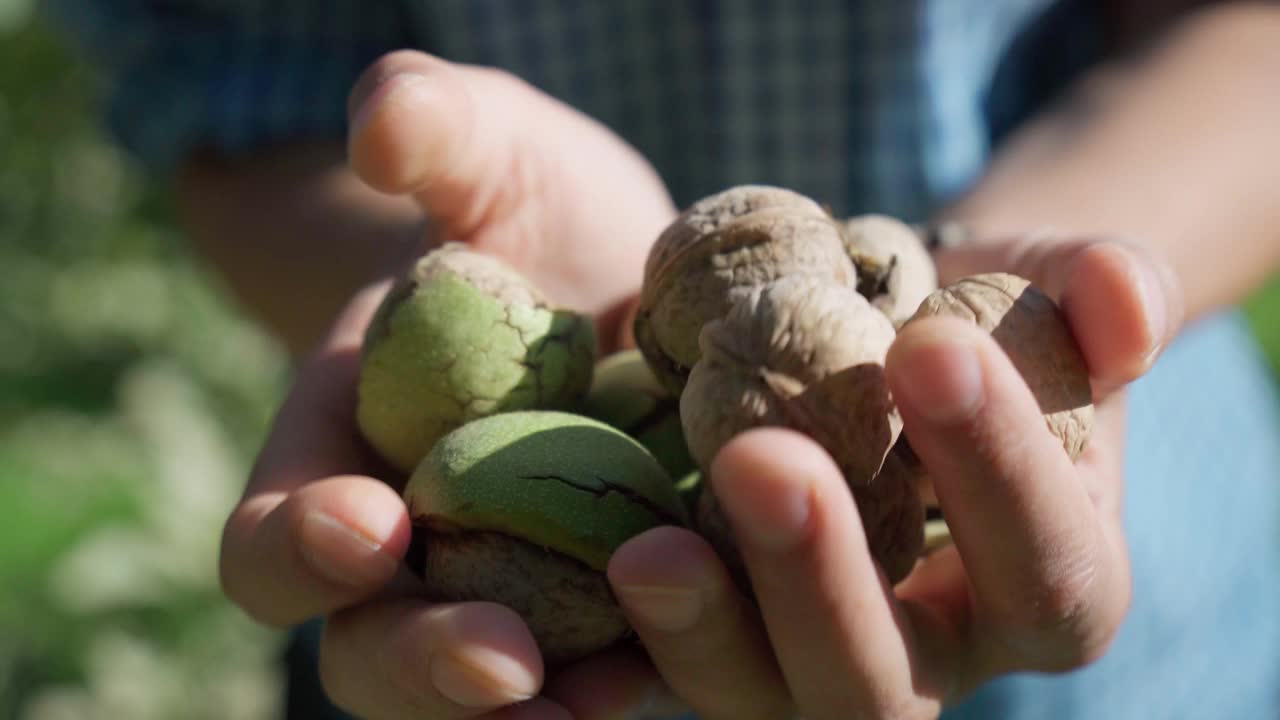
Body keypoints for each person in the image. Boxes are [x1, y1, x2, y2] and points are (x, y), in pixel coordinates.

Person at [46, 1, 1280, 718]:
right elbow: (230, 100)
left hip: (1164, 648)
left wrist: (1064, 239)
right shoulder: (667, 360)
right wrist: (426, 233)